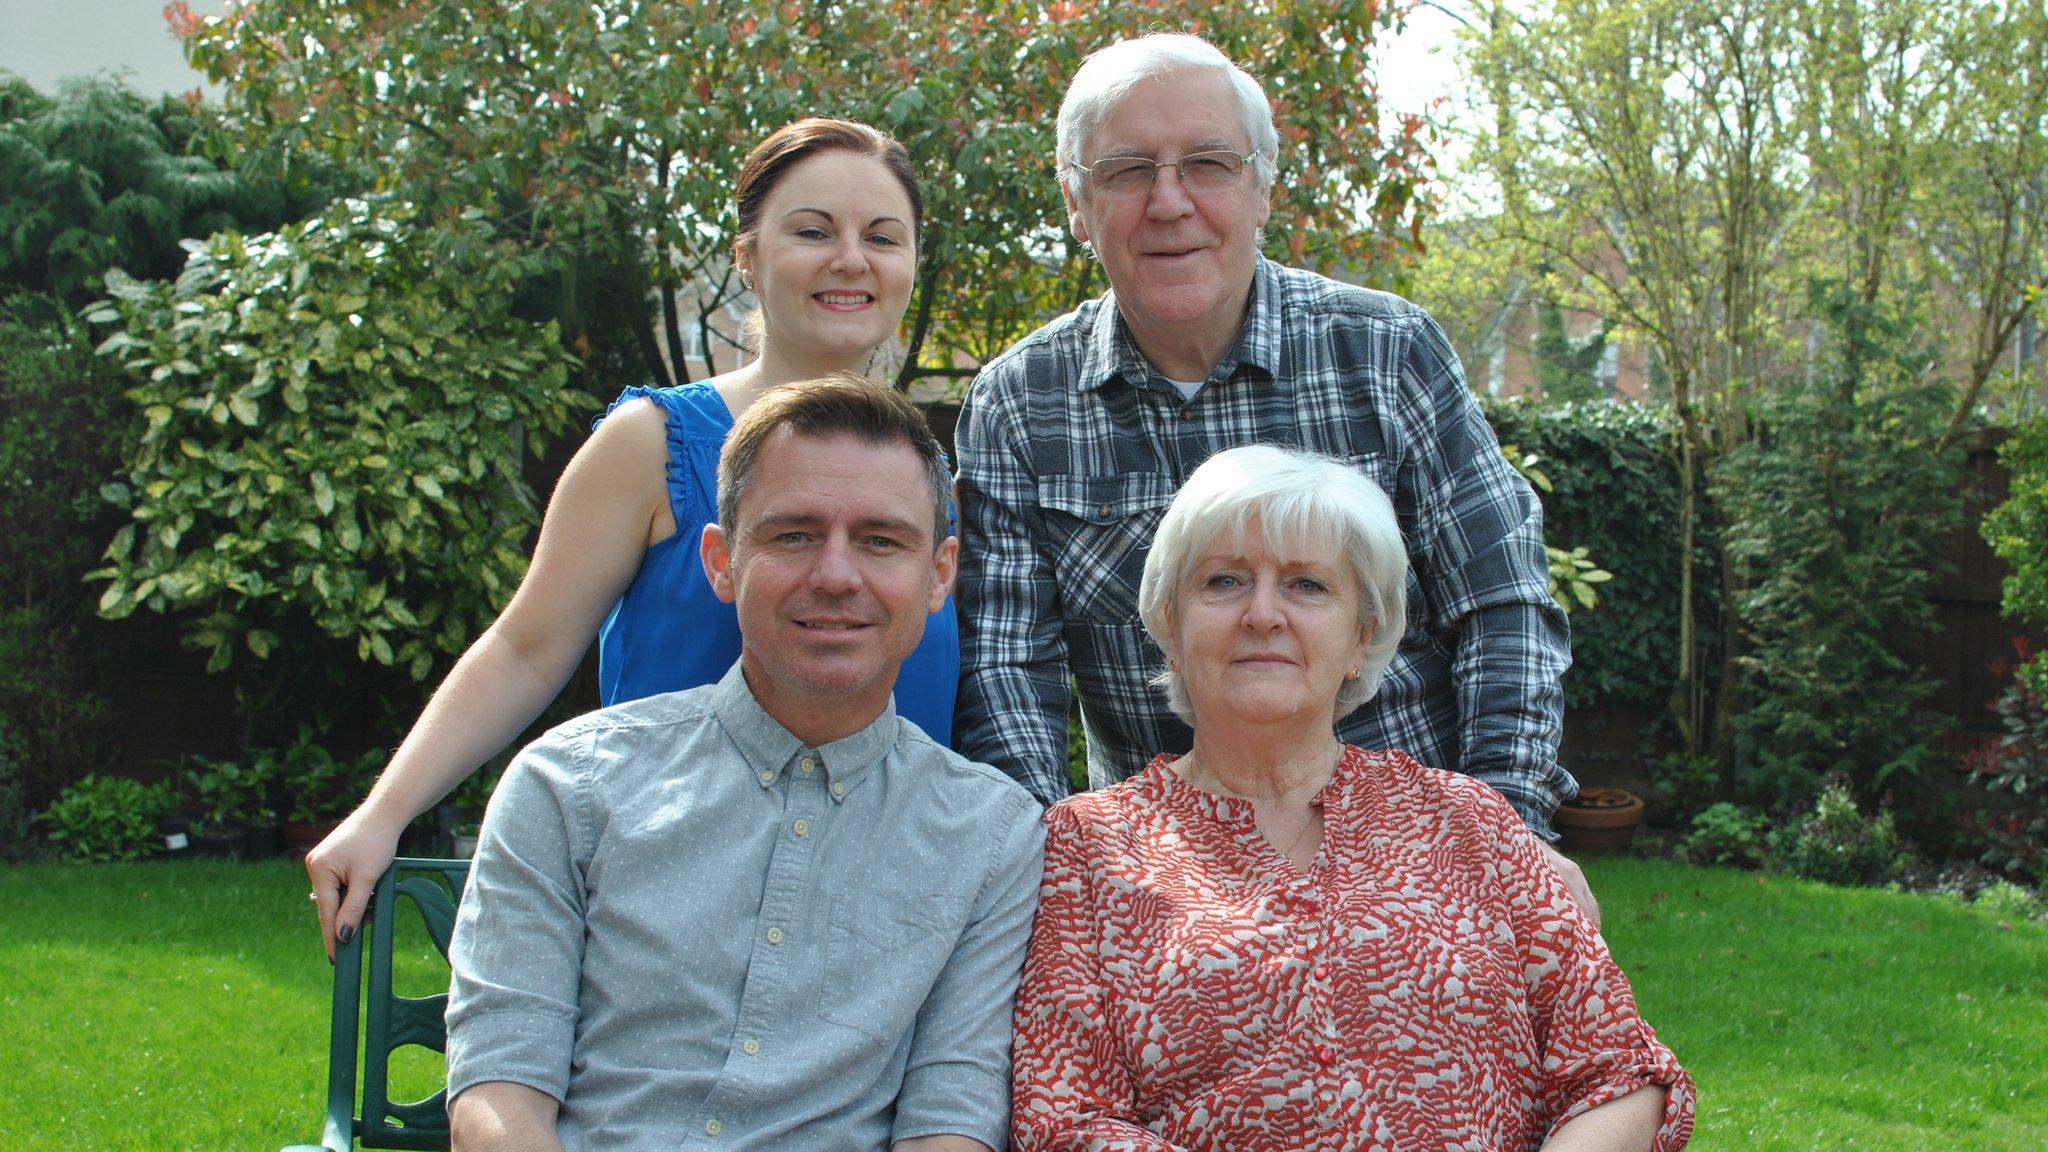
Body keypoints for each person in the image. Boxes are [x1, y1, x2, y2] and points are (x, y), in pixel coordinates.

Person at [950, 34, 1596, 914]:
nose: (1169, 202)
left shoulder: (1386, 353)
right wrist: (1051, 888)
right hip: (1164, 889)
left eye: (1208, 164)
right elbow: (1007, 670)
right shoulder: (1022, 403)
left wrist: (1500, 845)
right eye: (1128, 170)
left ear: (1261, 189)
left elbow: (1504, 605)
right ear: (1075, 199)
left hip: (1415, 863)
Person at [307, 118, 959, 957]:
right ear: (748, 256)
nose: (851, 259)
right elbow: (526, 648)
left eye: (883, 237)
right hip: (670, 908)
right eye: (812, 231)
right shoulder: (650, 443)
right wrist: (384, 812)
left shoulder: (926, 474)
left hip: (879, 917)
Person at [1009, 445, 1693, 1152]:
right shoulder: (1087, 846)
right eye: (1224, 581)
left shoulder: (1471, 822)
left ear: (1362, 637)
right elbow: (1067, 1119)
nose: (1264, 614)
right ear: (1170, 627)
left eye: (1307, 585)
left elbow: (1620, 1070)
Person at [446, 377, 1043, 1152]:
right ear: (723, 562)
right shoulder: (568, 786)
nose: (836, 575)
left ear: (938, 575)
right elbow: (497, 1094)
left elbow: (951, 1123)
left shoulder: (992, 839)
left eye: (881, 540)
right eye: (793, 535)